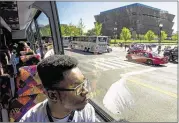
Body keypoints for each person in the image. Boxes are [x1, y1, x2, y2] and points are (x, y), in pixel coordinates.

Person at [19, 55, 98, 122]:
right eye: (78, 87)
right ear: (53, 95)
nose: (86, 91)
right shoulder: (31, 120)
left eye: (84, 83)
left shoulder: (87, 111)